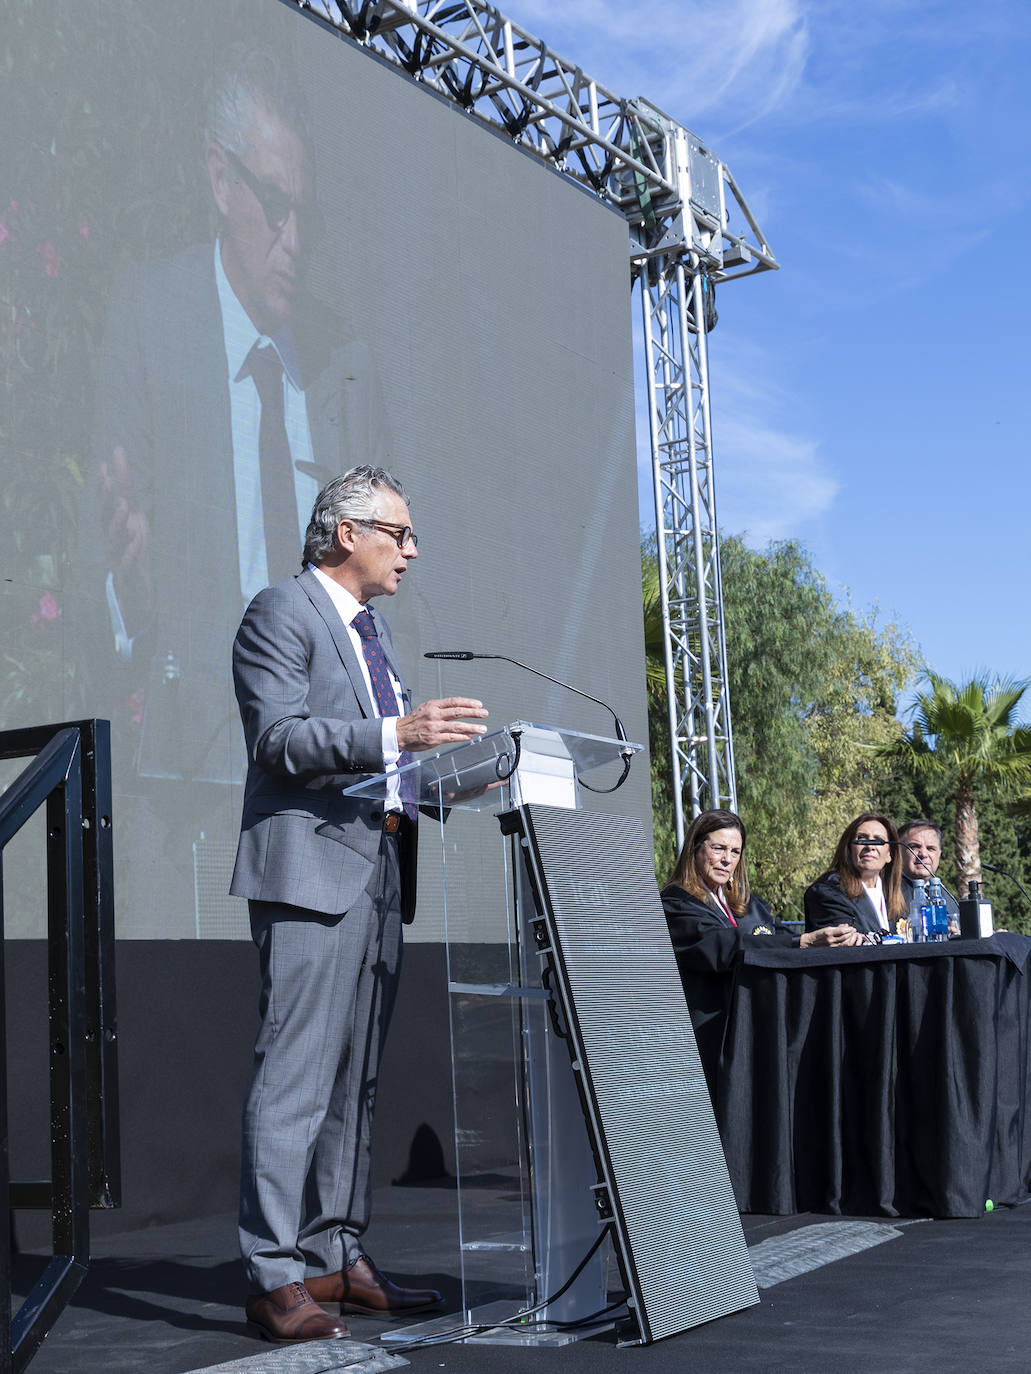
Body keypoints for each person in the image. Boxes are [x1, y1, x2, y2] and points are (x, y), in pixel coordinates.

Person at [230, 466, 488, 1343]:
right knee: (294, 1082)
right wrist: (397, 734)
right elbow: (278, 738)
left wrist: (476, 771)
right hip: (310, 873)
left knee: (355, 1085)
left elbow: (398, 758)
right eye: (401, 534)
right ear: (348, 532)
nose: (412, 551)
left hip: (379, 873)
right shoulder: (282, 612)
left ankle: (334, 1253)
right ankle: (273, 1275)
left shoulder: (371, 634)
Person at [84, 43, 386, 789]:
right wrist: (132, 588)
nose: (293, 241)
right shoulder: (149, 318)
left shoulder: (341, 359)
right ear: (220, 178)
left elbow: (390, 579)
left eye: (304, 214)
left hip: (336, 757)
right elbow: (110, 577)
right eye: (274, 207)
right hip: (200, 761)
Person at [661, 809, 862, 974]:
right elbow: (723, 945)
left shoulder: (749, 904)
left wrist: (830, 940)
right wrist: (804, 942)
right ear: (694, 850)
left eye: (735, 852)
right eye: (718, 848)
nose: (727, 859)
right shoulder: (675, 902)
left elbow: (779, 935)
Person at [804, 812, 907, 939]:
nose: (870, 846)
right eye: (862, 839)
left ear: (889, 854)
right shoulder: (828, 892)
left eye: (878, 840)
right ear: (848, 849)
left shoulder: (901, 894)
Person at [897, 818, 960, 917]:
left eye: (931, 848)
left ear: (939, 854)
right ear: (899, 852)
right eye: (914, 847)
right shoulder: (887, 892)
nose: (923, 854)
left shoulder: (948, 898)